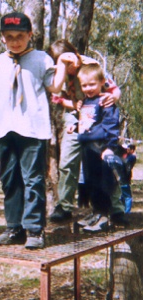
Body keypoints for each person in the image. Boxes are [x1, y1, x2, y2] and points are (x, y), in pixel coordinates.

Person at [0, 13, 77, 249]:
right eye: (9, 36)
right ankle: (14, 228)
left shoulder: (41, 59)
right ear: (3, 38)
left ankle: (35, 230)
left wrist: (63, 64)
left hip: (32, 129)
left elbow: (55, 86)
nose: (15, 41)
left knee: (33, 179)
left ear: (29, 35)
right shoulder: (0, 61)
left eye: (20, 36)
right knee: (10, 180)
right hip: (4, 130)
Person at [47, 39, 122, 223]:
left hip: (99, 116)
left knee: (106, 161)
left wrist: (112, 98)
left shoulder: (90, 65)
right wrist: (72, 104)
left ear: (75, 56)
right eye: (62, 65)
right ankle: (64, 206)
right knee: (67, 161)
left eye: (69, 64)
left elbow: (114, 89)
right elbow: (57, 98)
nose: (68, 69)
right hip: (76, 116)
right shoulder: (58, 73)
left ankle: (116, 208)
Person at [69, 63, 128, 232]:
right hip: (88, 148)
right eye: (84, 85)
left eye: (92, 84)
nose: (88, 88)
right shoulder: (86, 101)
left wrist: (110, 147)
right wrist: (75, 125)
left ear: (102, 81)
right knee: (91, 182)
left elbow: (111, 124)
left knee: (104, 183)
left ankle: (105, 217)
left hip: (101, 148)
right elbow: (87, 121)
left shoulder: (105, 101)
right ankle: (96, 213)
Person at [120, 144, 136, 213]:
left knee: (126, 196)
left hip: (124, 179)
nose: (127, 150)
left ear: (132, 150)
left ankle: (126, 211)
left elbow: (127, 168)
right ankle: (124, 211)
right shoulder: (125, 156)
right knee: (124, 196)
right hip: (123, 179)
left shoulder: (131, 157)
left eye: (128, 149)